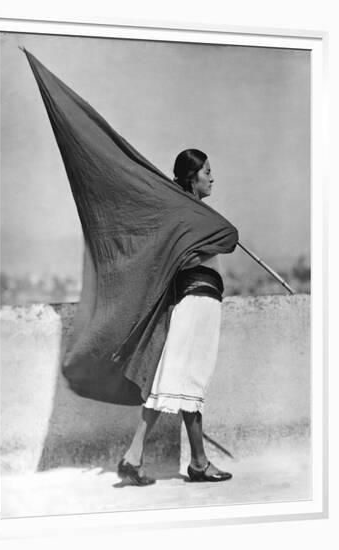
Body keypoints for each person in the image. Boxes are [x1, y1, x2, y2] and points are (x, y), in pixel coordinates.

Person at [117, 149, 233, 486]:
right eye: (207, 172)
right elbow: (209, 246)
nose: (212, 177)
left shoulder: (191, 213)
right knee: (182, 382)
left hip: (196, 300)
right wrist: (211, 239)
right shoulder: (188, 215)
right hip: (197, 301)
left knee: (177, 383)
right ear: (192, 177)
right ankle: (146, 456)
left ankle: (187, 461)